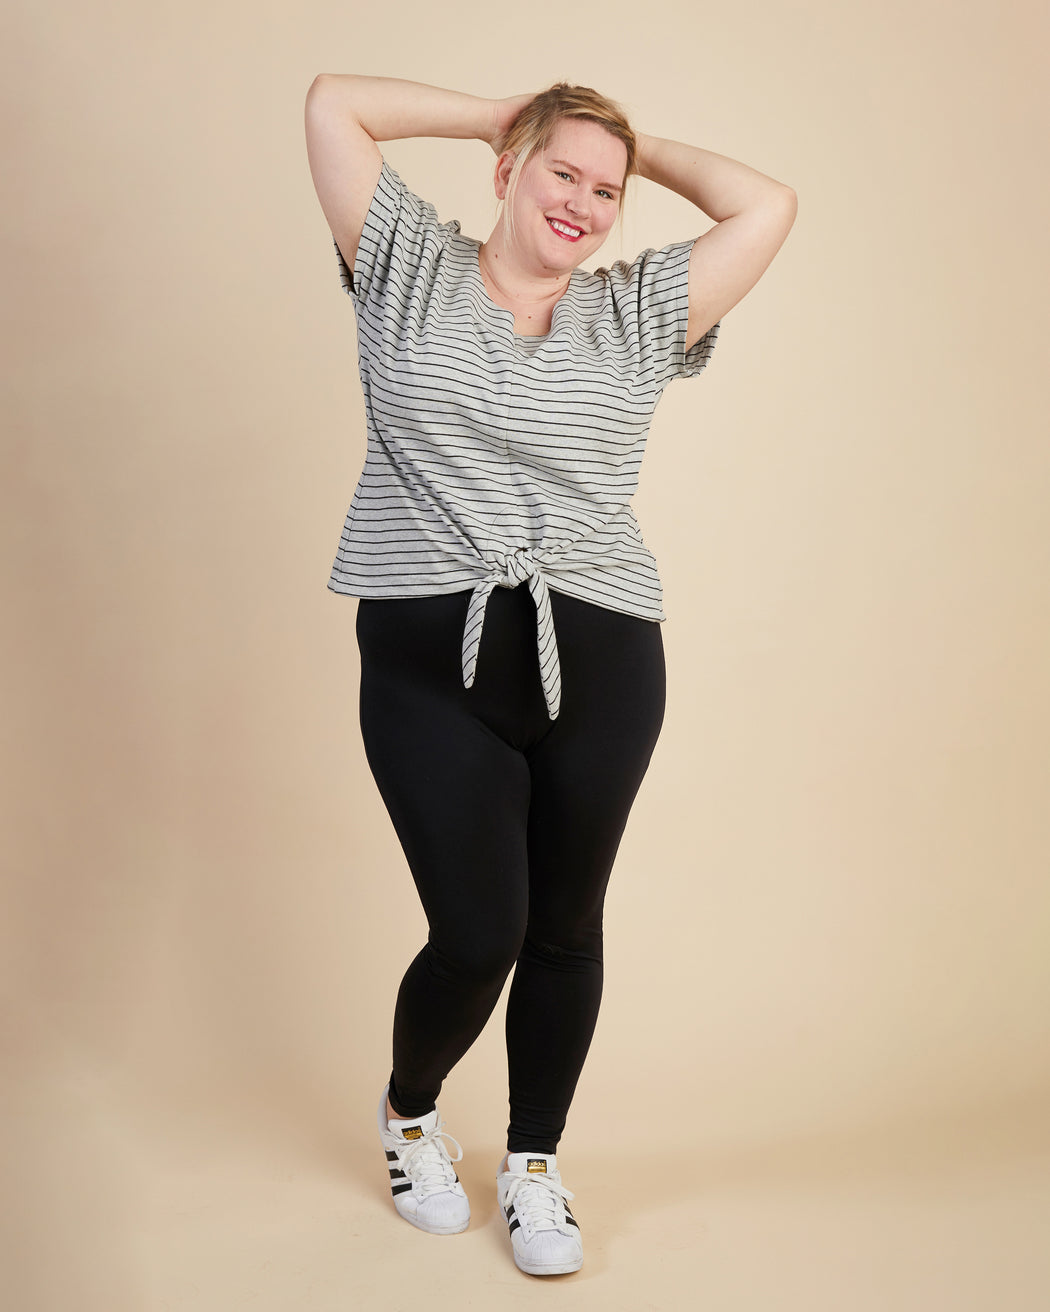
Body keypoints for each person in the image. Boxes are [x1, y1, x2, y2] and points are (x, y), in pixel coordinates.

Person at [304, 74, 796, 1276]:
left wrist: (623, 143)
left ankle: (534, 1163)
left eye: (603, 191)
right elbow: (330, 107)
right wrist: (511, 116)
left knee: (567, 925)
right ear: (510, 172)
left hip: (604, 645)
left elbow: (767, 205)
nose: (581, 201)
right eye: (559, 173)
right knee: (480, 930)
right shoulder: (409, 263)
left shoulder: (634, 313)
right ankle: (411, 1111)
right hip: (429, 647)